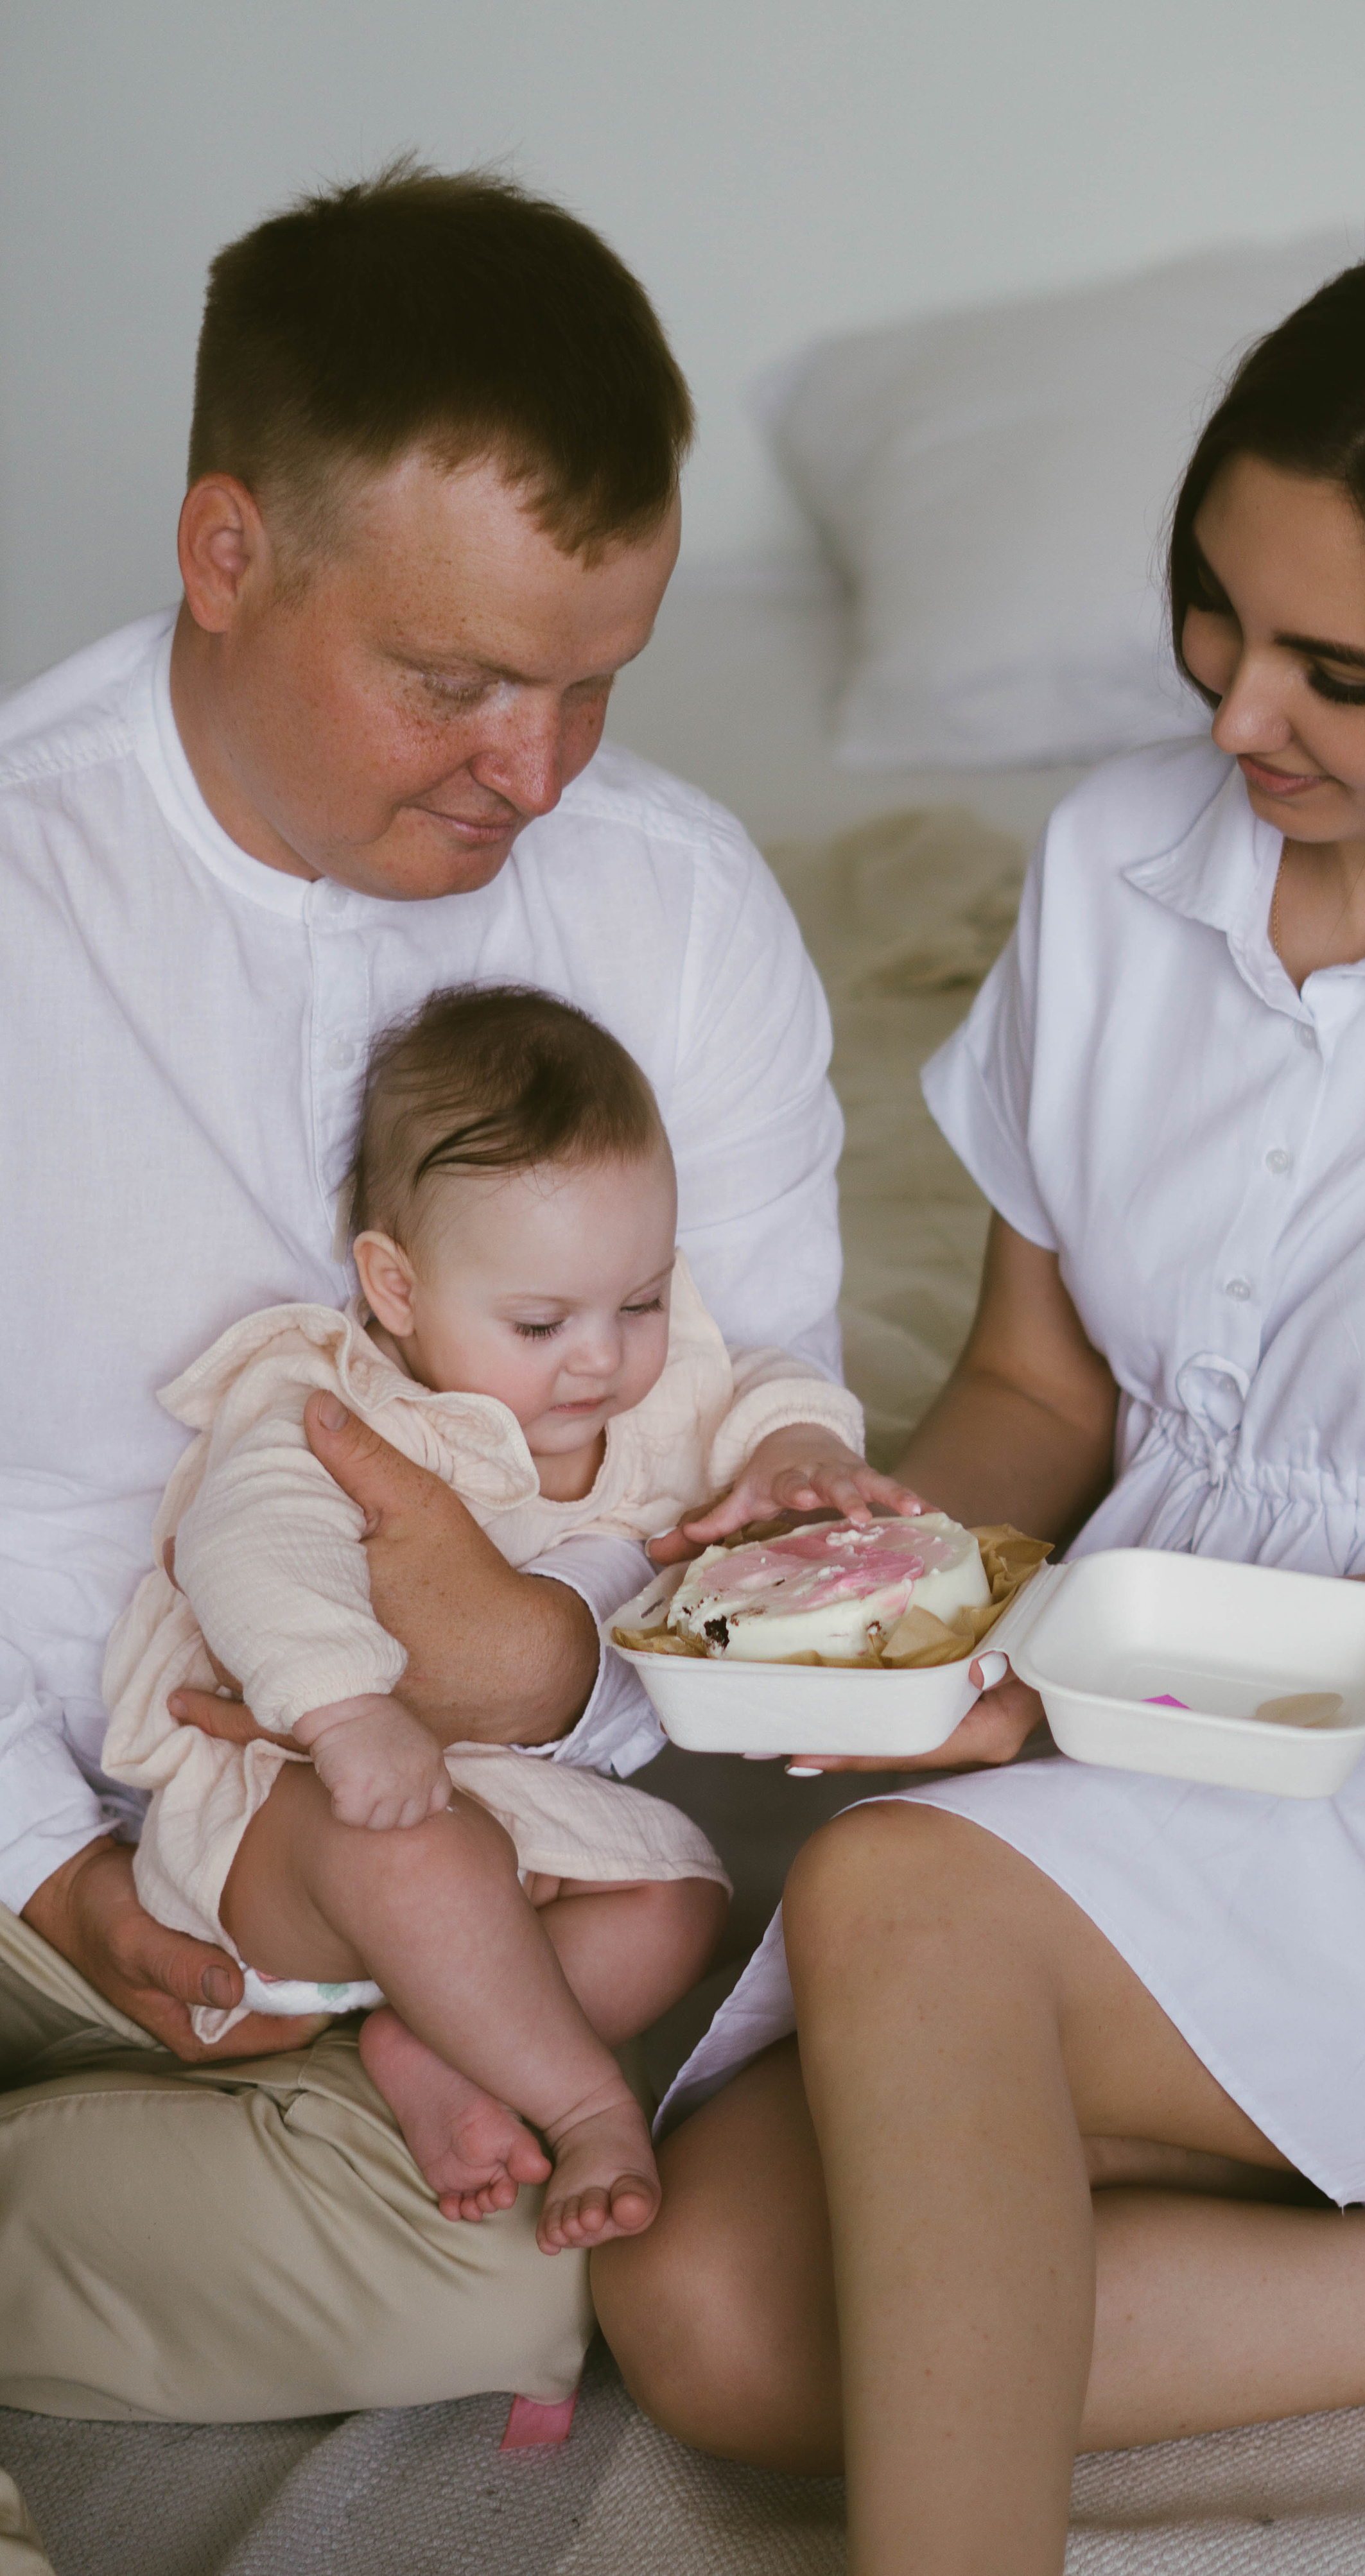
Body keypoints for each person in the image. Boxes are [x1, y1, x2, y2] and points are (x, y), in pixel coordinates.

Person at [595, 243, 1365, 2572]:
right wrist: (867, 1580)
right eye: (1212, 608)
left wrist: (1081, 1673)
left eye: (1335, 673)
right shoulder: (1111, 862)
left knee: (901, 1898)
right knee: (711, 2302)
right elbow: (1035, 1386)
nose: (1235, 706)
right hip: (1144, 1757)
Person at [0, 162, 848, 2418]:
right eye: (455, 682)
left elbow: (760, 1466)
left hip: (437, 1857)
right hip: (43, 1819)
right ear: (226, 554)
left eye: (593, 685)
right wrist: (48, 1874)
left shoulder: (674, 911)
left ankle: (317, 2094)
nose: (536, 773)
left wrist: (557, 1667)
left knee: (492, 2286)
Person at [104, 983, 912, 2255]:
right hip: (295, 1807)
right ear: (398, 1285)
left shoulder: (641, 1393)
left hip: (491, 1803)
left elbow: (756, 1386)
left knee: (678, 1892)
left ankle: (437, 2043)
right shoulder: (320, 1399)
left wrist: (798, 1449)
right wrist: (348, 1709)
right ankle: (583, 2097)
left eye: (639, 1302)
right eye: (541, 1323)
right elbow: (250, 1546)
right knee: (423, 1856)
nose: (601, 1359)